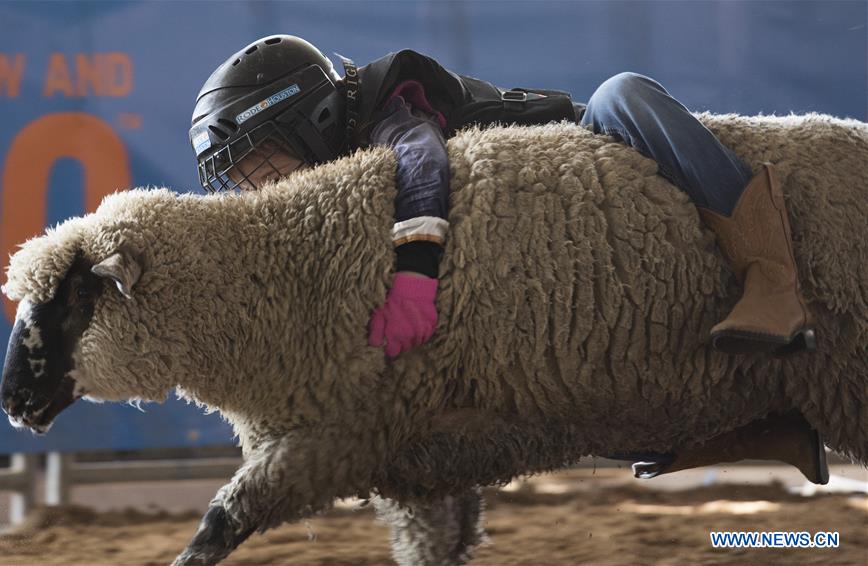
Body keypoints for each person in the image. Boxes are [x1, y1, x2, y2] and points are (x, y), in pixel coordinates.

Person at [188, 35, 827, 484]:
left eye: (262, 164)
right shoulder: (336, 209)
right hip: (526, 263)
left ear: (311, 120)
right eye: (240, 178)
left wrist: (412, 273)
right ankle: (755, 428)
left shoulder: (387, 111)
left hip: (584, 161)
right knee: (548, 380)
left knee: (621, 91)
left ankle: (769, 277)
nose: (257, 190)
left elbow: (421, 161)